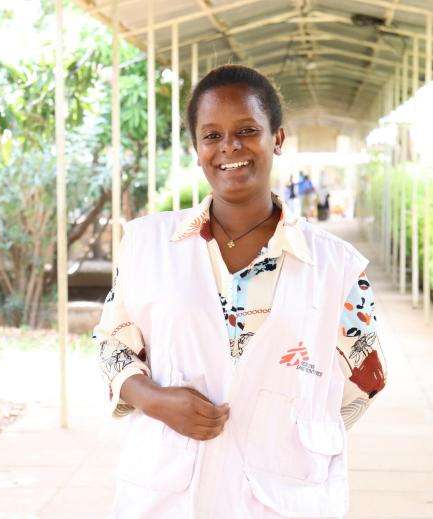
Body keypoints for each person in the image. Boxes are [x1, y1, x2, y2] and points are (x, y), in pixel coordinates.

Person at [94, 65, 387, 518]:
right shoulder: (146, 245)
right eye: (211, 135)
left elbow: (365, 380)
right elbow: (113, 343)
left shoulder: (337, 266)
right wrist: (152, 398)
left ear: (278, 138)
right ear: (196, 149)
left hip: (283, 497)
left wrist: (293, 424)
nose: (230, 147)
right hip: (168, 491)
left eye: (247, 130)